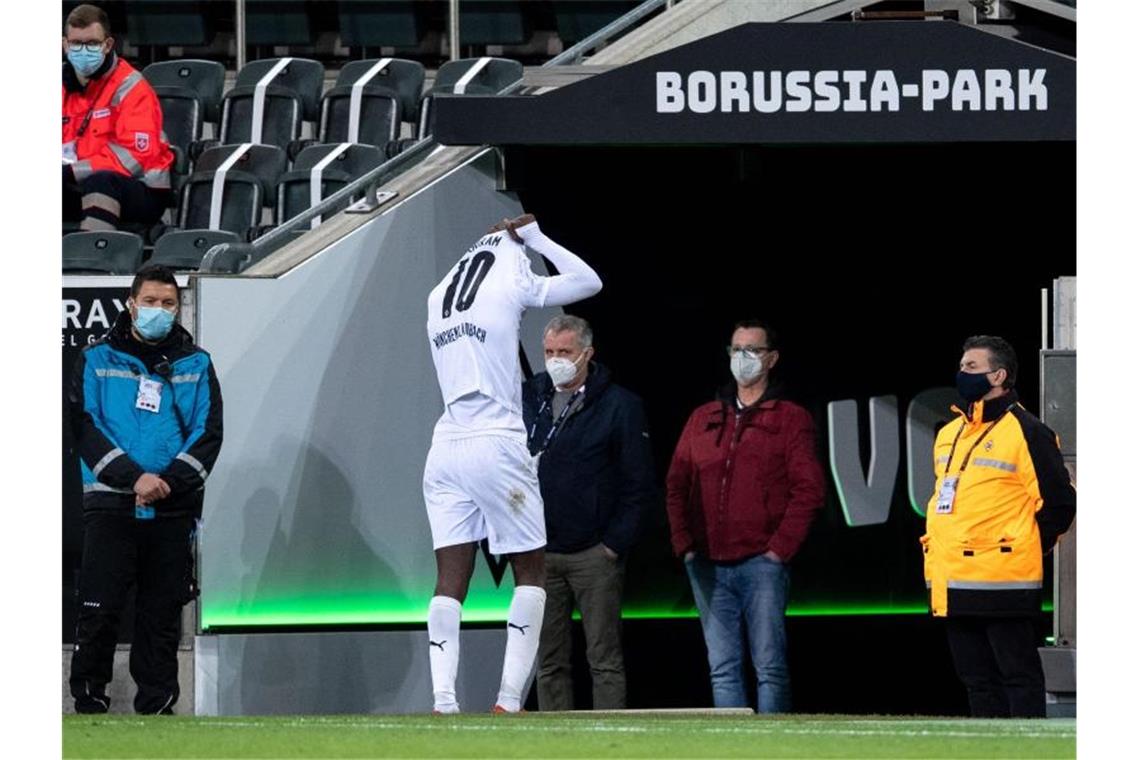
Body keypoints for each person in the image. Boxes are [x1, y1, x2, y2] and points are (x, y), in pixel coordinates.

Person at [423, 213, 602, 713]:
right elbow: (590, 281)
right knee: (531, 571)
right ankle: (507, 700)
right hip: (496, 438)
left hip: (446, 443)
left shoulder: (440, 292)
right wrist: (539, 237)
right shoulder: (511, 269)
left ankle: (442, 701)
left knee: (449, 579)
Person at [68, 265, 224, 714]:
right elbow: (84, 425)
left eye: (169, 303)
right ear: (131, 304)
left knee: (161, 616)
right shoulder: (96, 358)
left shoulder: (197, 363)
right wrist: (133, 478)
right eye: (151, 302)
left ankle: (158, 705)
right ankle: (89, 700)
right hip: (109, 506)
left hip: (172, 510)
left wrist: (165, 484)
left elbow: (208, 433)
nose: (159, 310)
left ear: (179, 309)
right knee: (98, 609)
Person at [665, 319, 825, 713]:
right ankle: (731, 750)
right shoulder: (703, 417)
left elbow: (810, 489)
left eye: (752, 350)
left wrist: (778, 550)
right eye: (737, 350)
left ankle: (771, 750)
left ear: (771, 358)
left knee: (769, 666)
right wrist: (684, 546)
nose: (744, 358)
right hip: (705, 563)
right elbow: (675, 484)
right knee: (722, 668)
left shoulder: (790, 417)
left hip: (761, 563)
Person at [923, 335, 1075, 718]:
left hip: (1004, 578)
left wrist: (1023, 545)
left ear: (999, 375)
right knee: (976, 680)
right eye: (961, 366)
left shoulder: (1027, 430)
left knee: (1018, 677)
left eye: (972, 367)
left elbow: (1060, 502)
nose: (962, 373)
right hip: (953, 578)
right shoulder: (949, 433)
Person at [522, 315, 656, 711]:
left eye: (564, 352)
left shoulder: (620, 406)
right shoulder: (529, 397)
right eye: (549, 352)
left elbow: (640, 483)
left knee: (604, 661)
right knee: (548, 662)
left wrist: (612, 545)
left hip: (594, 555)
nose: (556, 360)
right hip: (539, 553)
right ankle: (556, 747)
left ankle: (606, 745)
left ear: (587, 353)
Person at [63, 4, 174, 232]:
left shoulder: (132, 87)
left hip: (141, 188)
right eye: (76, 43)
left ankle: (91, 261)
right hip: (76, 181)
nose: (84, 50)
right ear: (65, 44)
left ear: (108, 45)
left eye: (92, 43)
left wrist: (73, 171)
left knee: (101, 182)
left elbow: (135, 156)